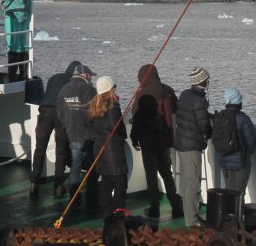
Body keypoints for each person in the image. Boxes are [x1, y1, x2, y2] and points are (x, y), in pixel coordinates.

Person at [131, 64, 183, 218]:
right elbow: (175, 108)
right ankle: (176, 206)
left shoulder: (141, 94)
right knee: (167, 173)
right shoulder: (167, 90)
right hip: (165, 139)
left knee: (151, 174)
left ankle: (155, 208)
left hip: (148, 142)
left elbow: (137, 118)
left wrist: (135, 138)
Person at [30, 60, 78, 197]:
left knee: (40, 148)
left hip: (45, 111)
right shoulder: (73, 82)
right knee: (61, 150)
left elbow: (47, 93)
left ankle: (34, 184)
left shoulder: (54, 77)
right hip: (61, 113)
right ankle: (58, 186)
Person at [175, 67, 212, 228]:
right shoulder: (199, 100)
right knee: (193, 183)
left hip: (182, 144)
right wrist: (209, 133)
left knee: (186, 182)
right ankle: (192, 221)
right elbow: (203, 124)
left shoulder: (184, 94)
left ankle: (190, 216)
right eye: (207, 80)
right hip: (192, 146)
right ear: (202, 82)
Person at [57, 63, 98, 209]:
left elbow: (60, 114)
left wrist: (70, 125)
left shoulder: (64, 89)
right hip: (89, 135)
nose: (91, 78)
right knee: (92, 169)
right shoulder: (89, 89)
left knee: (75, 167)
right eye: (90, 75)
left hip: (72, 134)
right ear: (85, 75)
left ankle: (74, 201)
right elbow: (96, 112)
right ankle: (91, 203)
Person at [89, 76, 128, 215]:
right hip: (113, 150)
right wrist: (124, 135)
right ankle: (117, 215)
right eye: (114, 85)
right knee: (120, 184)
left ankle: (106, 214)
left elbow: (92, 124)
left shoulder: (95, 103)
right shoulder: (112, 104)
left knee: (106, 182)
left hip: (100, 147)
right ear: (110, 88)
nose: (116, 88)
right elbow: (115, 126)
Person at [3, 0, 38, 81]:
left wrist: (4, 5)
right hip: (26, 11)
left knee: (12, 42)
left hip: (13, 12)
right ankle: (23, 73)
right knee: (23, 43)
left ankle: (11, 73)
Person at [215, 88, 256, 199]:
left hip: (224, 161)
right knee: (239, 193)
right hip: (240, 163)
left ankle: (228, 214)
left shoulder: (219, 116)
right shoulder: (243, 118)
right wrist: (249, 152)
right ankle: (237, 215)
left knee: (228, 191)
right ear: (238, 101)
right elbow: (251, 142)